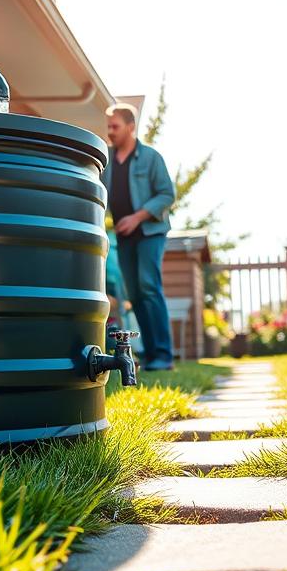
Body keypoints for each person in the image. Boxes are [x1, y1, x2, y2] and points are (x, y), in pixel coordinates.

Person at [103, 103, 177, 370]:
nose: (110, 131)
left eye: (115, 126)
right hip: (125, 238)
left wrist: (137, 217)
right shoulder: (108, 160)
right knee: (134, 293)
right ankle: (150, 354)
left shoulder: (150, 158)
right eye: (109, 126)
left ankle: (163, 355)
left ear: (131, 127)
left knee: (148, 286)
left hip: (149, 233)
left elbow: (167, 194)